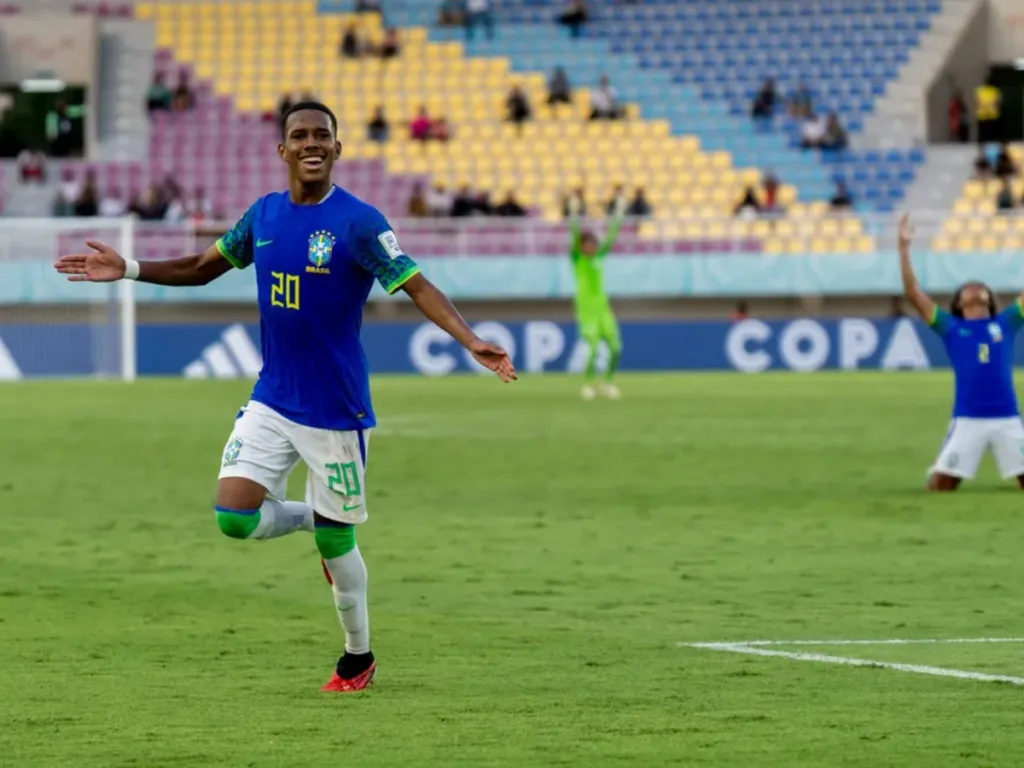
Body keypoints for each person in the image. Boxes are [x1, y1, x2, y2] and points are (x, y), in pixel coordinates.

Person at [54, 101, 517, 692]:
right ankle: (312, 519)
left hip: (335, 409)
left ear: (337, 149)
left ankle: (358, 657)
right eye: (300, 135)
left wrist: (470, 339)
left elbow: (417, 285)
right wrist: (130, 268)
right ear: (283, 150)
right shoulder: (264, 215)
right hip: (273, 397)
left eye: (323, 135)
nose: (311, 143)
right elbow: (201, 267)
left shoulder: (359, 222)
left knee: (337, 543)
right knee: (233, 518)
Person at [897, 213, 1024, 491]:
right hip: (968, 419)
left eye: (980, 287)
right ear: (959, 303)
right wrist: (904, 249)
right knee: (940, 487)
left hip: (1007, 417)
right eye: (967, 288)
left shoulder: (1007, 321)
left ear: (989, 299)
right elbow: (913, 293)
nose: (974, 287)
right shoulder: (951, 327)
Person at [567, 192, 624, 400]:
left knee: (616, 348)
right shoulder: (578, 259)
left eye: (593, 243)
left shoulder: (599, 257)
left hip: (603, 310)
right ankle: (589, 384)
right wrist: (574, 213)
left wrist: (618, 213)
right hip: (587, 311)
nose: (591, 246)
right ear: (582, 246)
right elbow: (574, 235)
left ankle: (608, 382)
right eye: (587, 243)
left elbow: (612, 236)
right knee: (592, 348)